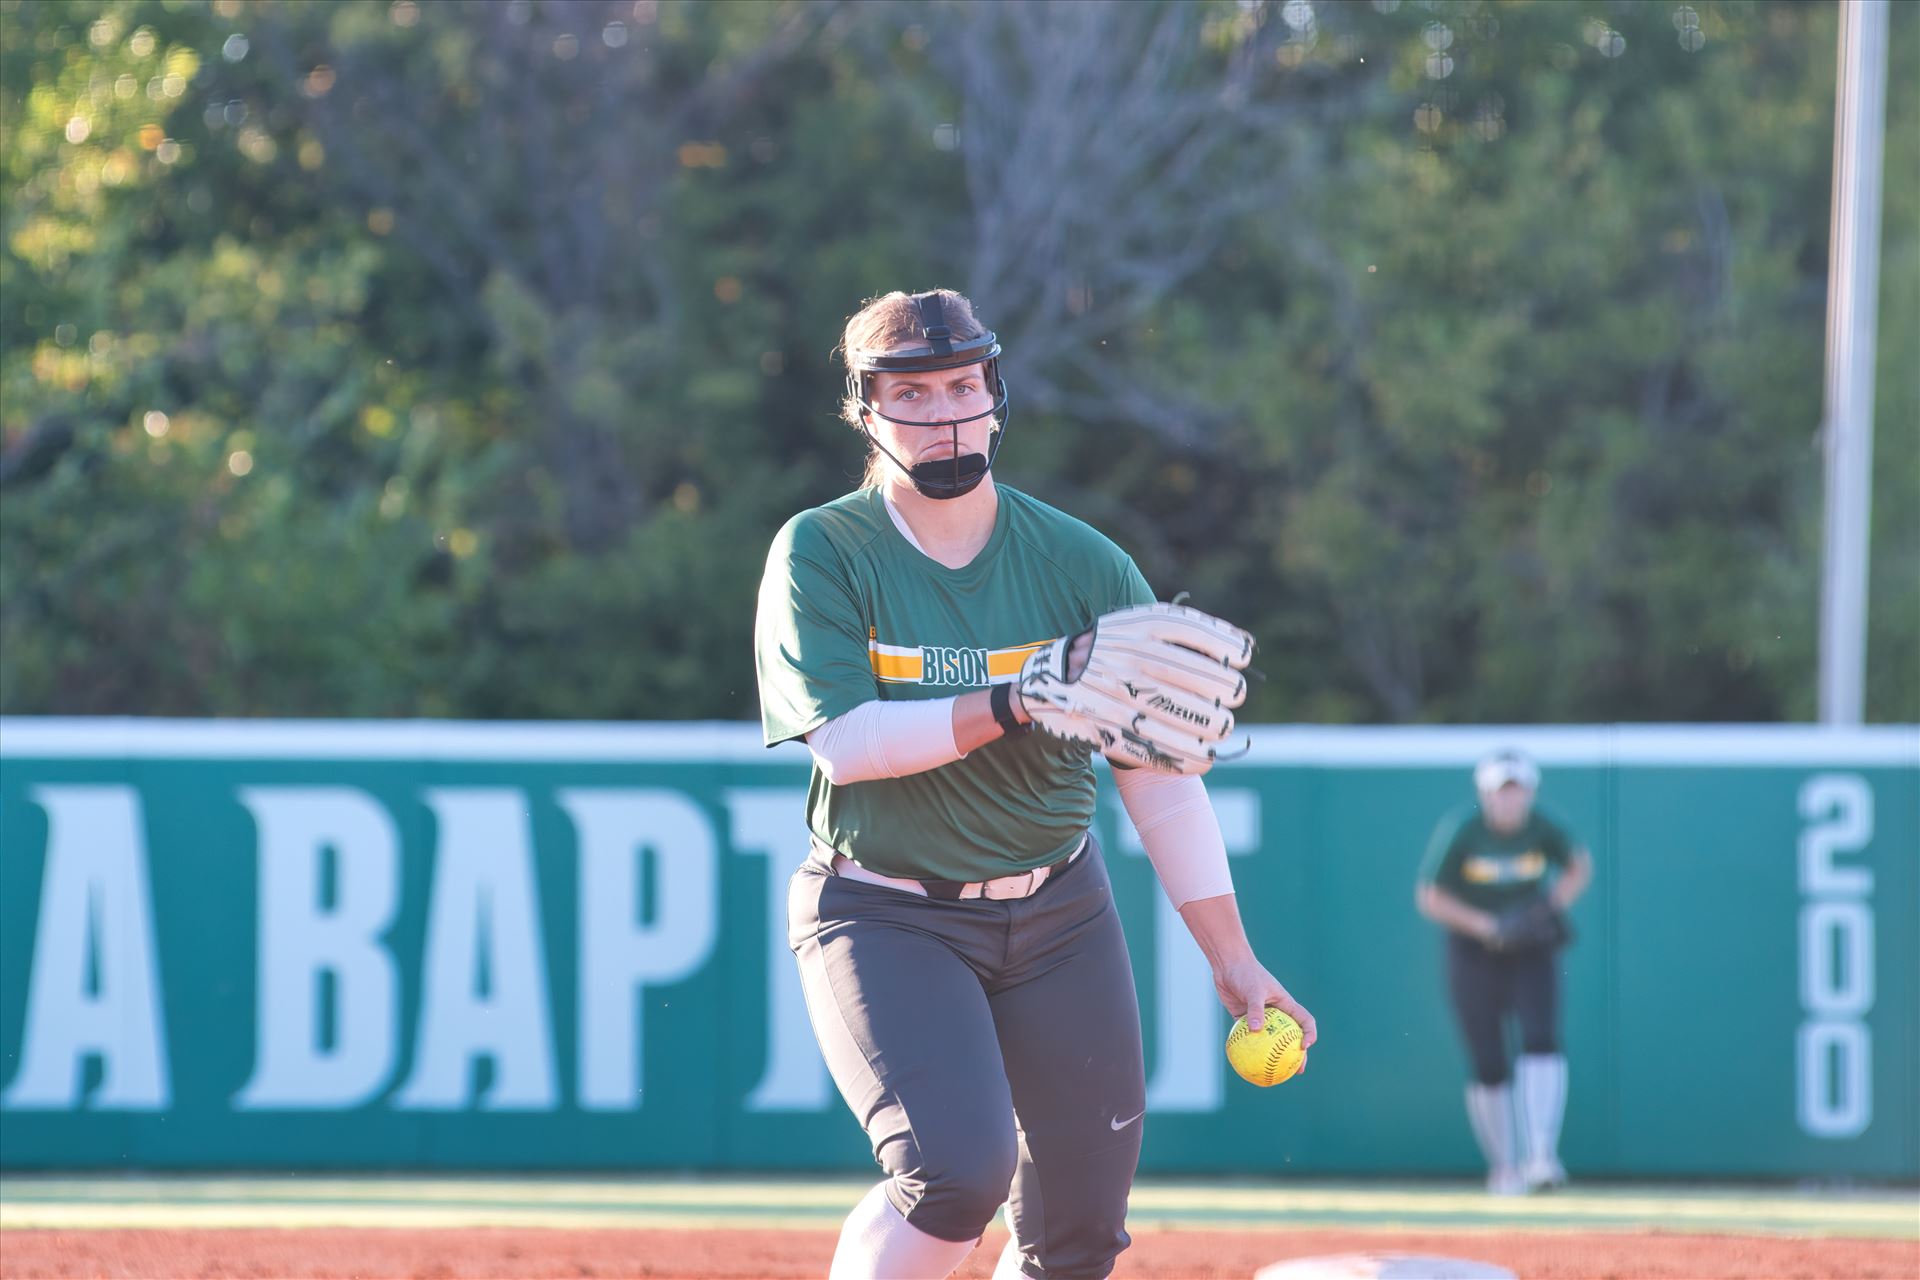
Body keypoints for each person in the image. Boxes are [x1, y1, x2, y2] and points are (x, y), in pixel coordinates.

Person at [754, 288, 1316, 1280]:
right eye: (913, 393)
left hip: (1059, 911)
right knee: (954, 1173)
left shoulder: (1081, 562)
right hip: (885, 909)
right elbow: (848, 743)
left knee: (1080, 1232)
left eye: (963, 384)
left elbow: (1161, 776)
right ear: (866, 409)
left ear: (996, 392)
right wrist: (1020, 695)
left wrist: (1233, 958)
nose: (944, 414)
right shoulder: (824, 550)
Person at [1416, 749, 1593, 1195]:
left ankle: (1542, 1156)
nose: (1509, 802)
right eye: (1501, 792)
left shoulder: (1543, 827)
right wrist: (1488, 926)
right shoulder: (1463, 829)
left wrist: (1545, 908)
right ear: (1485, 794)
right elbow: (1431, 895)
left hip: (1531, 948)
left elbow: (1578, 866)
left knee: (1541, 1041)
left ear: (1530, 793)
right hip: (1473, 951)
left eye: (1517, 792)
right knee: (1488, 1062)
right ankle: (1504, 1167)